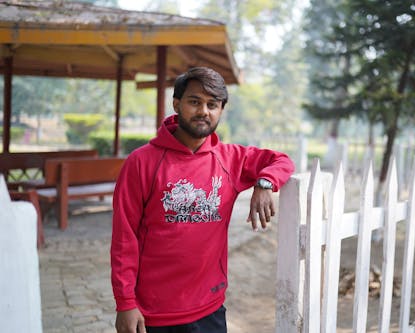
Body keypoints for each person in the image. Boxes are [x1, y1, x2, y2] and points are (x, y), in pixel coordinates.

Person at [110, 66, 295, 333]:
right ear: (177, 104)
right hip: (153, 313)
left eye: (212, 104)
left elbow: (281, 160)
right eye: (194, 102)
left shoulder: (230, 158)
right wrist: (125, 302)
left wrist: (264, 183)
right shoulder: (141, 162)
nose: (203, 111)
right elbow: (124, 239)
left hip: (210, 308)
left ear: (221, 110)